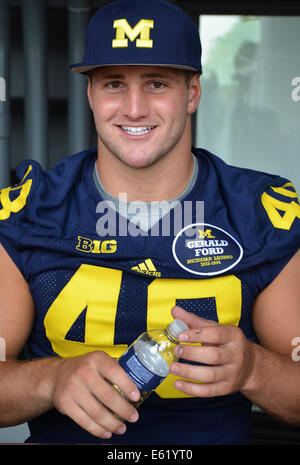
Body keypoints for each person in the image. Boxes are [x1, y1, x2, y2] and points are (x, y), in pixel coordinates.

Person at [0, 0, 299, 445]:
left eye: (156, 84)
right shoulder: (31, 209)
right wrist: (51, 380)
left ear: (193, 93)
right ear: (90, 95)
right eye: (114, 84)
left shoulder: (259, 212)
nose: (134, 108)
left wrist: (255, 369)